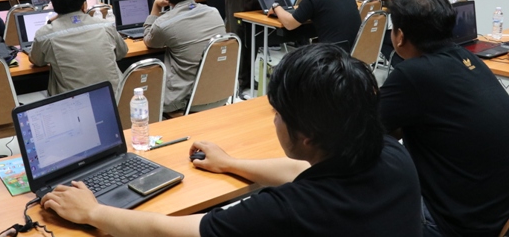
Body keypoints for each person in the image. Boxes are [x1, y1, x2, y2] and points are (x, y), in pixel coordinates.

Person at [40, 44, 422, 236]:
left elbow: (176, 230)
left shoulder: (288, 210)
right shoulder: (391, 154)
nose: (275, 120)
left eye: (278, 113)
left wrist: (93, 213)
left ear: (306, 136)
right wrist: (231, 164)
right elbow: (300, 171)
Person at [379, 0, 509, 237]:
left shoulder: (413, 74)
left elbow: (361, 129)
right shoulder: (468, 59)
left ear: (400, 36)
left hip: (458, 224)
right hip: (496, 214)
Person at [143, 0, 226, 113]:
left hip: (184, 101)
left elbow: (148, 41)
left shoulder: (164, 24)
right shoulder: (214, 12)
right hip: (220, 94)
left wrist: (156, 6)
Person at [30, 0, 127, 96]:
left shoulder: (45, 35)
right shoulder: (106, 26)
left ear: (54, 6)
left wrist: (50, 23)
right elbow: (122, 53)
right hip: (117, 98)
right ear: (84, 5)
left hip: (76, 103)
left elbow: (37, 60)